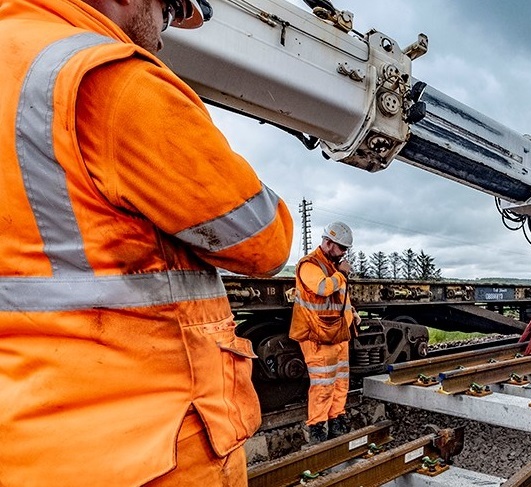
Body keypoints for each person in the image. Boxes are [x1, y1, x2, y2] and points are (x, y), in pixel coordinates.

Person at [0, 0, 294, 483]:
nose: (163, 33)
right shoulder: (108, 79)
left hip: (26, 450)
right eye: (169, 10)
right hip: (154, 449)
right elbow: (264, 241)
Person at [290, 221, 362, 443]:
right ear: (329, 243)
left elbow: (339, 298)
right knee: (322, 383)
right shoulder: (309, 264)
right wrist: (341, 275)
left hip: (337, 333)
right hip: (318, 335)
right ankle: (317, 427)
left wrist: (352, 314)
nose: (344, 253)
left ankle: (336, 418)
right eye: (342, 248)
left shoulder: (333, 266)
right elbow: (323, 288)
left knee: (340, 381)